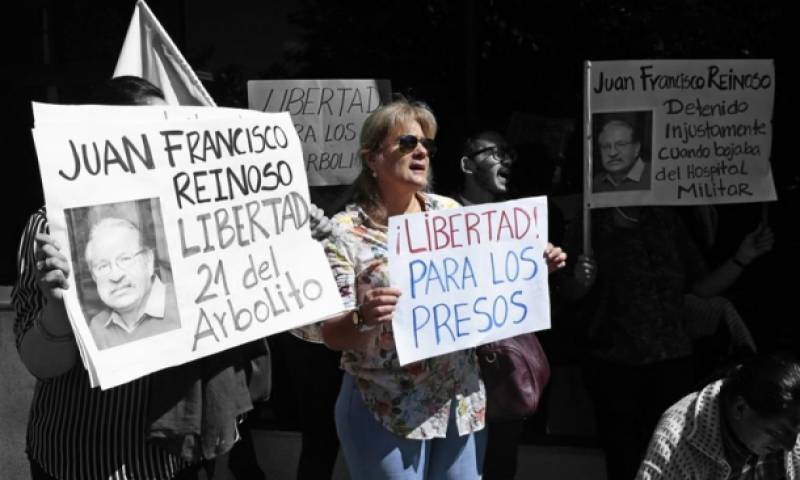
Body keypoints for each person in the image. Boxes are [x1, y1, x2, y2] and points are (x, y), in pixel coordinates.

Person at [315, 100, 567, 480]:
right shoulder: (345, 231)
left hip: (458, 401)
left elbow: (487, 287)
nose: (421, 152)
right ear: (372, 158)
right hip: (385, 404)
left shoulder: (450, 213)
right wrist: (363, 317)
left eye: (427, 146)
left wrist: (531, 268)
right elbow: (331, 333)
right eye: (407, 143)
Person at [581, 203, 775, 480]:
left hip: (671, 362)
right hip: (614, 364)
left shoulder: (665, 218)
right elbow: (567, 292)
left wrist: (742, 258)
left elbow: (700, 287)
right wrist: (579, 281)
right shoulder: (591, 220)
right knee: (624, 461)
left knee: (676, 455)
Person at [637, 352, 800, 479]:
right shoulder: (676, 439)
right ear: (740, 408)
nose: (790, 445)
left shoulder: (791, 415)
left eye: (796, 432)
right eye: (777, 433)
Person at [84, 217, 180, 350]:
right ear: (94, 277)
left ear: (148, 261)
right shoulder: (97, 328)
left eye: (125, 259)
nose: (116, 276)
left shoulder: (183, 303)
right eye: (103, 266)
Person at [592, 118, 651, 193]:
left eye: (620, 144)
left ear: (636, 148)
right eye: (606, 146)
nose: (612, 153)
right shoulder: (597, 182)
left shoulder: (654, 177)